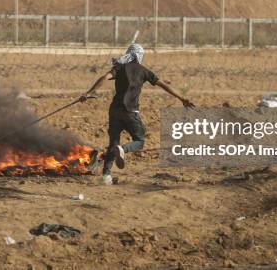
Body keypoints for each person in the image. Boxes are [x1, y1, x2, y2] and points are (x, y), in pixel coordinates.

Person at [80, 43, 194, 184]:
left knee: (113, 143)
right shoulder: (143, 71)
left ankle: (105, 176)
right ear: (139, 56)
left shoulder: (119, 67)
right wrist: (182, 98)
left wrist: (88, 93)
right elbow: (165, 85)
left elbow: (104, 78)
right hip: (130, 112)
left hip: (114, 111)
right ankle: (123, 149)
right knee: (139, 141)